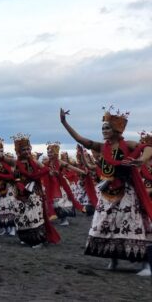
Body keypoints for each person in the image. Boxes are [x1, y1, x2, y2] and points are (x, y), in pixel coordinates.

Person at [60, 107, 152, 276]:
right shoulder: (102, 147)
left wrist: (141, 160)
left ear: (117, 129)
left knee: (133, 225)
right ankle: (113, 260)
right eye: (102, 128)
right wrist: (65, 123)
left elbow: (148, 148)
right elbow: (81, 139)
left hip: (126, 193)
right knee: (106, 225)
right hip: (107, 193)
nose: (104, 131)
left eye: (107, 127)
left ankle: (146, 265)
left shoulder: (128, 144)